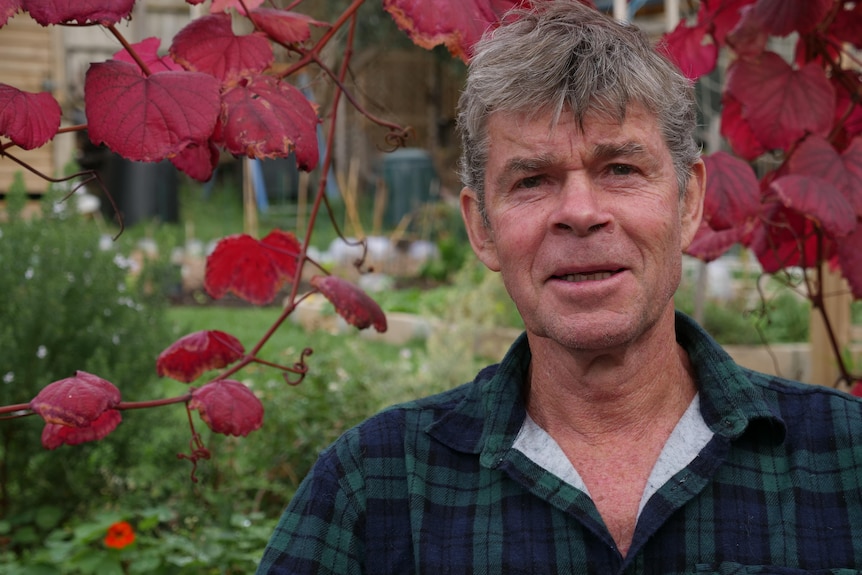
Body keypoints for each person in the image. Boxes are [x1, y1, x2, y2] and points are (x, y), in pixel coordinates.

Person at [257, 1, 862, 572]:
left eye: (620, 169)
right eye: (532, 181)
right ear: (481, 228)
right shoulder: (376, 487)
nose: (580, 211)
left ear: (689, 203)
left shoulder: (846, 461)